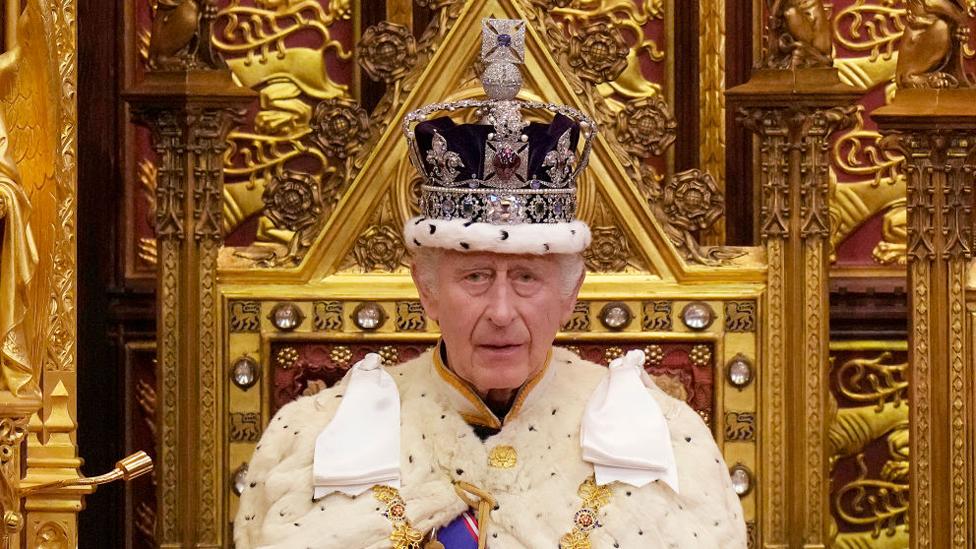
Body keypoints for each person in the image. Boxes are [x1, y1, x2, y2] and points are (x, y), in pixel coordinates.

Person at [235, 18, 746, 549]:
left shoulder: (666, 435)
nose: (501, 311)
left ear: (571, 293)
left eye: (527, 278)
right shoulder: (315, 434)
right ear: (426, 288)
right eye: (475, 276)